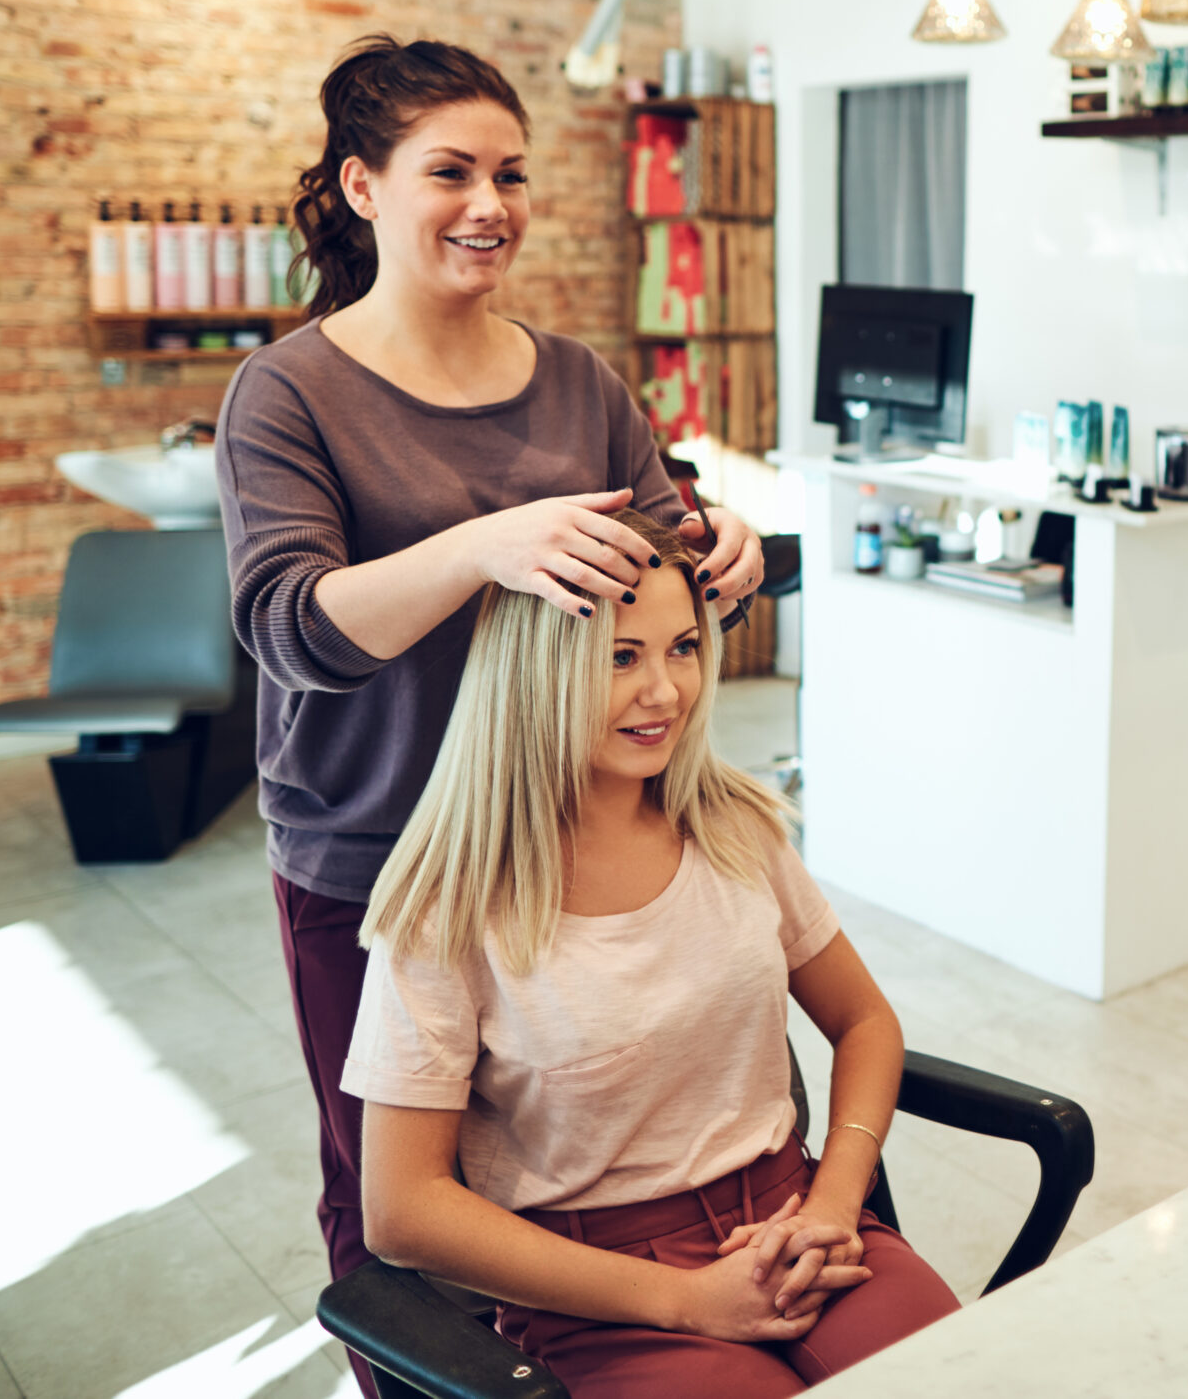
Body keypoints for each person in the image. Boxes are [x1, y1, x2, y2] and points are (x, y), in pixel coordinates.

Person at [214, 36, 765, 1393]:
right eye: (449, 170)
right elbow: (287, 627)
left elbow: (658, 561)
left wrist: (723, 543)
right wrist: (480, 546)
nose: (490, 204)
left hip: (576, 843)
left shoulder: (578, 379)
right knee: (397, 1196)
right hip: (379, 859)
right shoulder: (289, 392)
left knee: (571, 1160)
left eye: (511, 173)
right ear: (362, 185)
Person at [346, 511, 958, 1393]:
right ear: (537, 674)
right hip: (601, 1290)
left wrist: (835, 1201)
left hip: (794, 1218)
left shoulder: (734, 827)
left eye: (682, 647)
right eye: (622, 657)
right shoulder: (449, 909)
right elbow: (400, 1211)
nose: (666, 690)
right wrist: (685, 1302)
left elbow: (864, 1018)